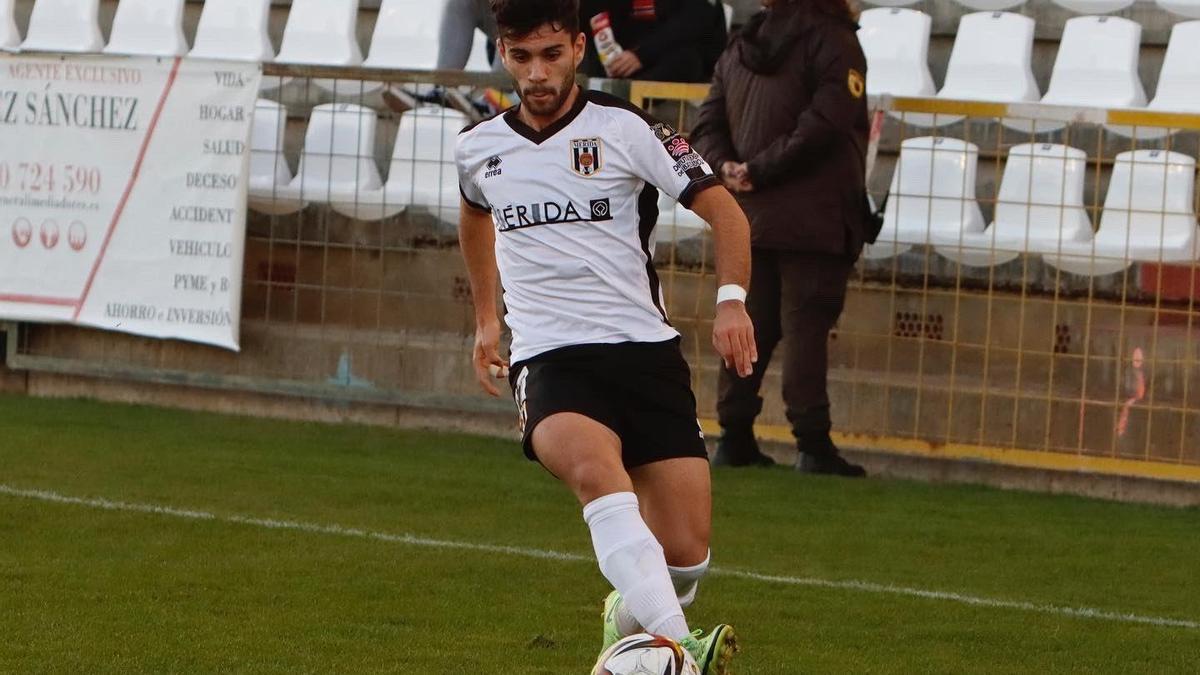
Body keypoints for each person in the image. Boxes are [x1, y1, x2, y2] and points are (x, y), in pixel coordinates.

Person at [455, 0, 755, 670]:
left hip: (645, 356)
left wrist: (732, 302)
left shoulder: (629, 130)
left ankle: (626, 619)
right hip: (550, 359)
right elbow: (474, 220)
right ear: (503, 53)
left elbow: (728, 215)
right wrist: (486, 318)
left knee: (685, 555)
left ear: (580, 48)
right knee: (595, 473)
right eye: (520, 56)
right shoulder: (478, 149)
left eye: (550, 54)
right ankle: (681, 649)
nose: (535, 73)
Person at [689, 0, 869, 476]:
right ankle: (811, 442)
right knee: (806, 328)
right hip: (816, 215)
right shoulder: (835, 40)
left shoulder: (743, 41)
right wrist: (759, 170)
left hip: (752, 216)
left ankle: (735, 434)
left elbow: (707, 121)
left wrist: (729, 168)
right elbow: (826, 124)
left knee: (754, 326)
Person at [577, 0, 728, 82]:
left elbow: (694, 21)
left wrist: (642, 55)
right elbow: (594, 14)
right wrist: (612, 58)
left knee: (687, 60)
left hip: (678, 61)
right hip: (621, 63)